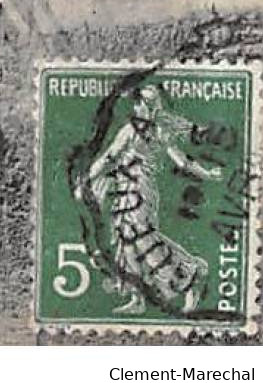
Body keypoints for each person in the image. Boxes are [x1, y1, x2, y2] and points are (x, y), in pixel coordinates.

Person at [77, 84, 221, 314]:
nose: (136, 107)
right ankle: (138, 298)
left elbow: (108, 159)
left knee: (143, 240)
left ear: (145, 105)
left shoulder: (135, 130)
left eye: (139, 103)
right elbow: (182, 161)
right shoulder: (154, 129)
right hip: (128, 191)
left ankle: (190, 275)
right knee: (127, 241)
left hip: (139, 191)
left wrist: (86, 179)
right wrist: (207, 173)